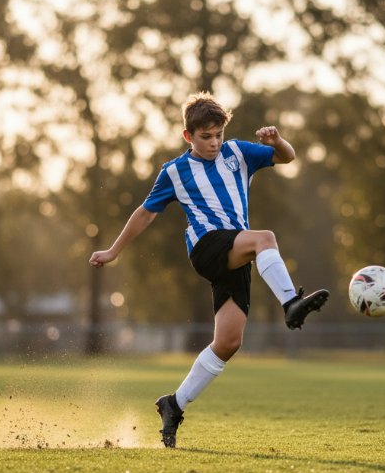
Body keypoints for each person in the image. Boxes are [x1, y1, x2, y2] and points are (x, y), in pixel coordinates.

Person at [89, 92, 329, 448]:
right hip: (207, 246)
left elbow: (287, 157)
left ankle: (174, 404)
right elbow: (144, 214)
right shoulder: (174, 171)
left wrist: (277, 140)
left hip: (237, 251)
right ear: (188, 136)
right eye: (205, 136)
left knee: (229, 342)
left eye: (218, 134)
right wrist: (113, 251)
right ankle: (290, 303)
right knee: (266, 238)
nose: (214, 142)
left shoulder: (238, 152)